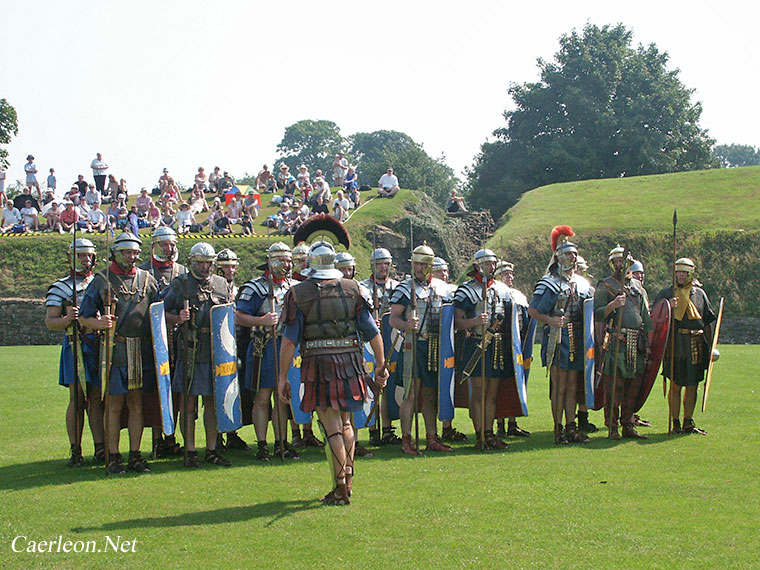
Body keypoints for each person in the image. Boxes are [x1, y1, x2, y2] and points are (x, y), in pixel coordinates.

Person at [277, 241, 389, 505]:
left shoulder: (299, 293)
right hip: (351, 364)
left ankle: (340, 487)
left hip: (320, 366)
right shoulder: (353, 289)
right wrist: (382, 365)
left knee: (332, 428)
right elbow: (373, 332)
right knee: (347, 423)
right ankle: (347, 479)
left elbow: (289, 341)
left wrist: (282, 377)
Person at [79, 232, 158, 474]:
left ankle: (134, 455)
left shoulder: (147, 279)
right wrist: (100, 324)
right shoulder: (102, 280)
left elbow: (159, 314)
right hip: (114, 351)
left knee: (137, 405)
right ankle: (113, 456)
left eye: (134, 252)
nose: (131, 257)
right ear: (116, 252)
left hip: (142, 350)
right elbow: (83, 318)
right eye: (126, 252)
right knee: (113, 405)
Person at [161, 243, 234, 467]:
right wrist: (177, 318)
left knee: (213, 403)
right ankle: (190, 450)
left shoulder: (222, 285)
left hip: (215, 351)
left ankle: (212, 449)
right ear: (193, 262)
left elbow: (229, 315)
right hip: (190, 350)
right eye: (200, 262)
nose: (204, 267)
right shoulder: (180, 284)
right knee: (188, 404)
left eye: (208, 263)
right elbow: (159, 312)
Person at [528, 226, 593, 444]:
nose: (572, 257)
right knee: (560, 385)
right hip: (557, 339)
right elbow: (533, 310)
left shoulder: (583, 284)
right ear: (558, 256)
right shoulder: (549, 282)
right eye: (567, 253)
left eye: (574, 254)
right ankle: (558, 429)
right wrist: (550, 320)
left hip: (577, 339)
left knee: (573, 385)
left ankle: (571, 427)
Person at [236, 243, 300, 461]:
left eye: (289, 260)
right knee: (263, 397)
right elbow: (238, 316)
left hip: (286, 347)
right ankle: (262, 444)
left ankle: (281, 442)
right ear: (271, 261)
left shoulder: (294, 287)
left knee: (282, 397)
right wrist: (260, 320)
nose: (287, 264)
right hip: (262, 347)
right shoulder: (255, 288)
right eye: (282, 260)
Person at [389, 244, 454, 455]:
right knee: (411, 393)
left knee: (430, 394)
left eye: (422, 264)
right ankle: (406, 439)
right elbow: (392, 319)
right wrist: (407, 325)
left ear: (430, 265)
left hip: (434, 347)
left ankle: (431, 438)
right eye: (416, 263)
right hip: (413, 347)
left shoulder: (442, 288)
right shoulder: (405, 288)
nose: (418, 268)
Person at [45, 238, 105, 466]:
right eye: (80, 255)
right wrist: (67, 318)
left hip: (97, 345)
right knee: (77, 399)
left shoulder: (100, 282)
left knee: (97, 399)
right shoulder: (61, 286)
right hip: (75, 346)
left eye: (88, 255)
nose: (85, 260)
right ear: (71, 257)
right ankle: (76, 449)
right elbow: (50, 322)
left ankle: (100, 447)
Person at [594, 246, 653, 440]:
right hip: (617, 341)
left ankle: (628, 424)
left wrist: (650, 343)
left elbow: (645, 316)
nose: (620, 265)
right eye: (616, 262)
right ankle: (612, 427)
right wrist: (612, 305)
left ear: (629, 263)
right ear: (612, 263)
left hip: (636, 342)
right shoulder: (605, 285)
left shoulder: (637, 286)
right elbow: (597, 313)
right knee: (614, 387)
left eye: (623, 262)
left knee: (632, 387)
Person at [138, 227, 187, 458]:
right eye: (163, 244)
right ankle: (157, 439)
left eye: (171, 244)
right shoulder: (143, 273)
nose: (168, 249)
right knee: (156, 391)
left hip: (178, 340)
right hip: (153, 341)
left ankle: (171, 437)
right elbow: (149, 310)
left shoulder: (183, 272)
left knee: (176, 391)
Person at [654, 258, 716, 435]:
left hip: (695, 344)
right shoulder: (667, 293)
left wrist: (710, 347)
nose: (681, 275)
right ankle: (675, 423)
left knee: (692, 384)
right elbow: (656, 317)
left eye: (684, 272)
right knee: (675, 384)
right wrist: (667, 308)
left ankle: (688, 421)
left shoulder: (699, 294)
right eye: (678, 272)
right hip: (675, 343)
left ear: (690, 274)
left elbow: (707, 321)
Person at [493, 260, 531, 439]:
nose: (510, 277)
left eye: (511, 273)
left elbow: (525, 323)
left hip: (516, 347)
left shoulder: (518, 295)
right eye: (506, 274)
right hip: (500, 345)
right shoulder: (495, 294)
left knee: (514, 385)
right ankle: (499, 424)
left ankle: (512, 423)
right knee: (499, 385)